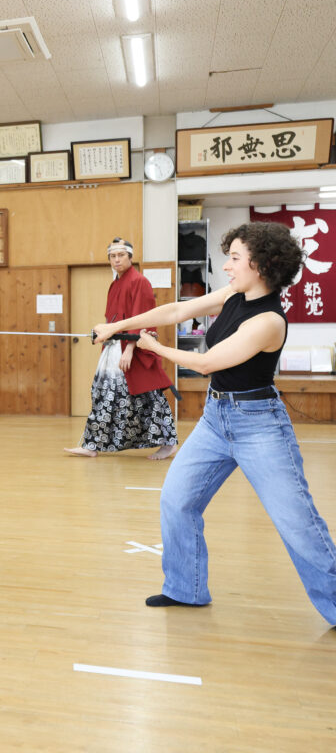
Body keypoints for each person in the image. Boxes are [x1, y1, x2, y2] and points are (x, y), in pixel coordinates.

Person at [93, 222, 336, 625]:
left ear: (262, 265)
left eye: (235, 258)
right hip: (215, 418)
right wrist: (120, 327)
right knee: (177, 500)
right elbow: (175, 310)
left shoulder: (270, 320)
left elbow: (207, 363)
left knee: (297, 523)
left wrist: (152, 345)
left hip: (259, 424)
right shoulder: (234, 295)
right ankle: (185, 589)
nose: (226, 266)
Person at [65, 237, 178, 460]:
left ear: (130, 257)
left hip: (132, 348)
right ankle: (92, 444)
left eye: (121, 255)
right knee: (103, 394)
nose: (116, 260)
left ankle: (168, 442)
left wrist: (130, 349)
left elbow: (142, 318)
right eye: (112, 256)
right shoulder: (115, 283)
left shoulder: (140, 281)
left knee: (149, 397)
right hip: (114, 347)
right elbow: (113, 320)